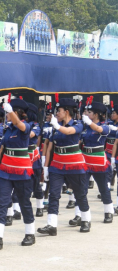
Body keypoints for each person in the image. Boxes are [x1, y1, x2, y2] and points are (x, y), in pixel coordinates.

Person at [0, 98, 36, 249]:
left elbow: (20, 124)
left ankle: (29, 233)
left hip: (21, 170)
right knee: (2, 202)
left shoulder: (26, 125)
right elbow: (1, 150)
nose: (6, 115)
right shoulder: (7, 129)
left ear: (17, 112)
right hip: (5, 170)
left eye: (9, 112)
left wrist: (11, 111)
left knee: (24, 202)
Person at [39, 98, 90, 235]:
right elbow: (50, 147)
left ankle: (85, 220)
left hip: (74, 164)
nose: (56, 114)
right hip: (57, 164)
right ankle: (51, 225)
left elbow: (69, 132)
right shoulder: (55, 127)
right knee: (53, 194)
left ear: (66, 111)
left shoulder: (78, 124)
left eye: (59, 111)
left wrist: (56, 126)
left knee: (79, 193)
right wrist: (46, 166)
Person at [80, 100, 113, 223]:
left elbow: (100, 130)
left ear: (96, 114)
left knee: (103, 188)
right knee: (81, 189)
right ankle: (80, 215)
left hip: (98, 161)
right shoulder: (84, 126)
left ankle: (108, 211)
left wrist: (89, 123)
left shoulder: (105, 126)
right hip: (85, 160)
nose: (86, 114)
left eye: (89, 112)